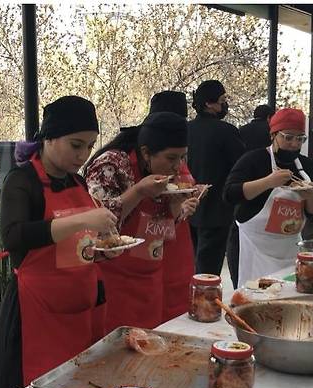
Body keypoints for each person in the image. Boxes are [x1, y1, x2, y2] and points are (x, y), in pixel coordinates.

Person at [0, 96, 117, 388]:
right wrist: (82, 219)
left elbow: (81, 242)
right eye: (75, 145)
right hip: (36, 314)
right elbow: (14, 236)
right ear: (49, 137)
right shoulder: (21, 180)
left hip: (80, 312)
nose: (83, 155)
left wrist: (106, 247)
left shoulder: (77, 182)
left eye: (90, 145)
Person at [84, 111, 198, 332]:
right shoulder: (112, 165)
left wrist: (177, 207)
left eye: (183, 157)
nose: (178, 166)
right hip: (114, 278)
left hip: (151, 274)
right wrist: (138, 192)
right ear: (146, 152)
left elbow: (162, 227)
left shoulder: (169, 171)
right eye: (171, 158)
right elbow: (96, 223)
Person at [224, 108, 313, 288]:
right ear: (274, 134)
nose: (294, 144)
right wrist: (268, 182)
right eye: (288, 137)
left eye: (300, 138)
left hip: (289, 247)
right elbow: (230, 194)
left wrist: (311, 195)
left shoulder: (306, 166)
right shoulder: (253, 160)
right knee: (250, 299)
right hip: (251, 246)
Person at [187, 80, 245, 276]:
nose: (224, 105)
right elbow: (240, 168)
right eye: (222, 100)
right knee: (209, 272)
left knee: (190, 266)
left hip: (185, 209)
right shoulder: (226, 132)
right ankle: (206, 305)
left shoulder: (185, 130)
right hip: (217, 210)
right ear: (209, 104)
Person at [148, 90, 197, 321]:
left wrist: (186, 204)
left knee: (178, 300)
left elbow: (186, 186)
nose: (176, 164)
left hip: (178, 234)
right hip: (150, 238)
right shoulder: (150, 156)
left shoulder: (178, 156)